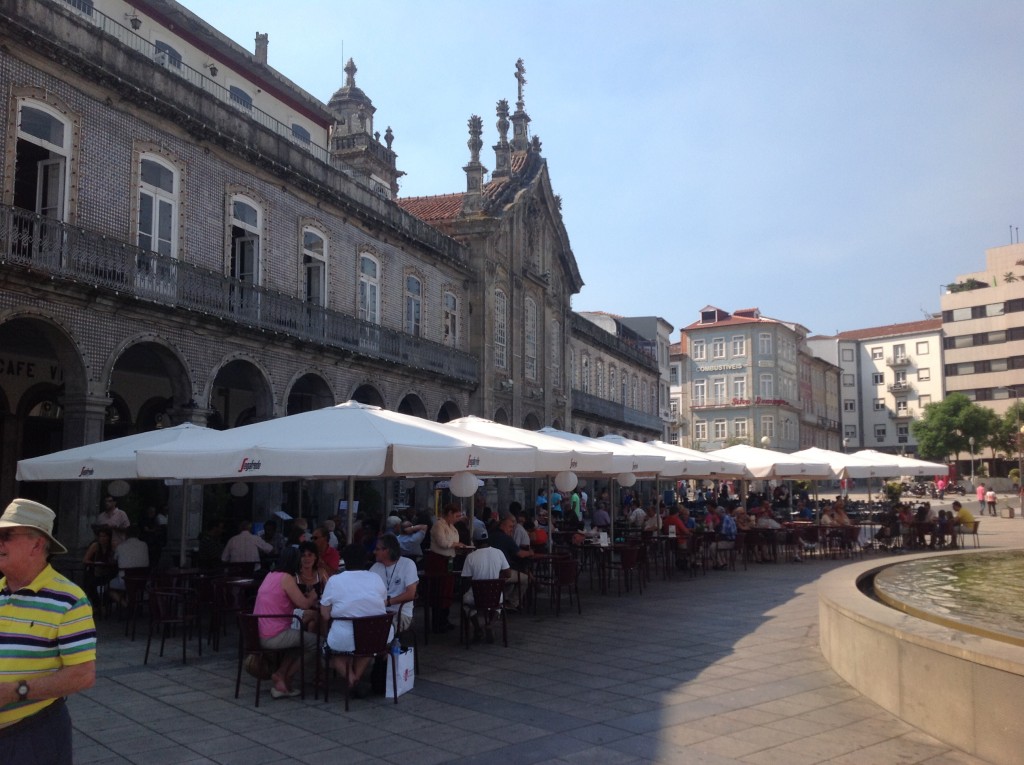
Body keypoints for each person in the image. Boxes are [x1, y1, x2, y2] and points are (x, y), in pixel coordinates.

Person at [0, 499, 96, 764]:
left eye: (6, 535)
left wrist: (15, 690)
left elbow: (83, 676)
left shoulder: (70, 600)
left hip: (33, 736)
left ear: (36, 544)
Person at [320, 545, 391, 694]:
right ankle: (355, 680)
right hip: (376, 636)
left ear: (345, 561)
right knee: (366, 648)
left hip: (343, 636)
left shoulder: (334, 581)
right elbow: (382, 603)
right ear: (365, 560)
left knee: (333, 654)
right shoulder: (376, 578)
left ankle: (352, 680)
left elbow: (325, 615)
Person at [252, 548, 319, 699]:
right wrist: (314, 595)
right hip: (274, 635)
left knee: (300, 642)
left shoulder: (270, 575)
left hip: (259, 632)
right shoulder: (287, 578)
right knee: (317, 643)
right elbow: (304, 604)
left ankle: (281, 675)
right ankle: (286, 677)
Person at [460, 537, 510, 643]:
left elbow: (467, 578)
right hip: (494, 595)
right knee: (499, 603)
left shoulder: (471, 556)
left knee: (465, 602)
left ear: (475, 542)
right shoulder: (499, 552)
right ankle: (490, 624)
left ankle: (477, 629)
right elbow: (508, 573)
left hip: (477, 597)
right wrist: (497, 577)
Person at [370, 533, 418, 631]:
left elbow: (411, 594)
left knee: (379, 630)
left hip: (400, 614)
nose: (374, 552)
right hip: (378, 612)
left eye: (378, 549)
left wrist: (387, 602)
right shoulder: (375, 567)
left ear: (387, 550)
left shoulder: (408, 564)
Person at [489, 513, 533, 610]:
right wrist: (530, 553)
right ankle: (513, 603)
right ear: (502, 525)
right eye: (510, 527)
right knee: (526, 578)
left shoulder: (491, 535)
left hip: (489, 572)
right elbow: (520, 554)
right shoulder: (506, 538)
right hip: (501, 573)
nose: (511, 530)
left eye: (512, 527)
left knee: (513, 576)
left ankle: (505, 599)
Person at [108, 526, 150, 606]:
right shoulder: (144, 545)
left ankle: (125, 604)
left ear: (126, 535)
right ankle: (132, 604)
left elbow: (114, 560)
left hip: (125, 580)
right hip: (142, 581)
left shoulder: (121, 547)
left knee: (109, 586)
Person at [82, 527, 115, 611]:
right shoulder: (95, 546)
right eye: (101, 536)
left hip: (107, 571)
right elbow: (85, 559)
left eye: (105, 536)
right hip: (95, 571)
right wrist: (94, 563)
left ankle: (105, 604)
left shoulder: (112, 546)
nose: (102, 539)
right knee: (90, 583)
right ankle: (97, 605)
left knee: (110, 584)